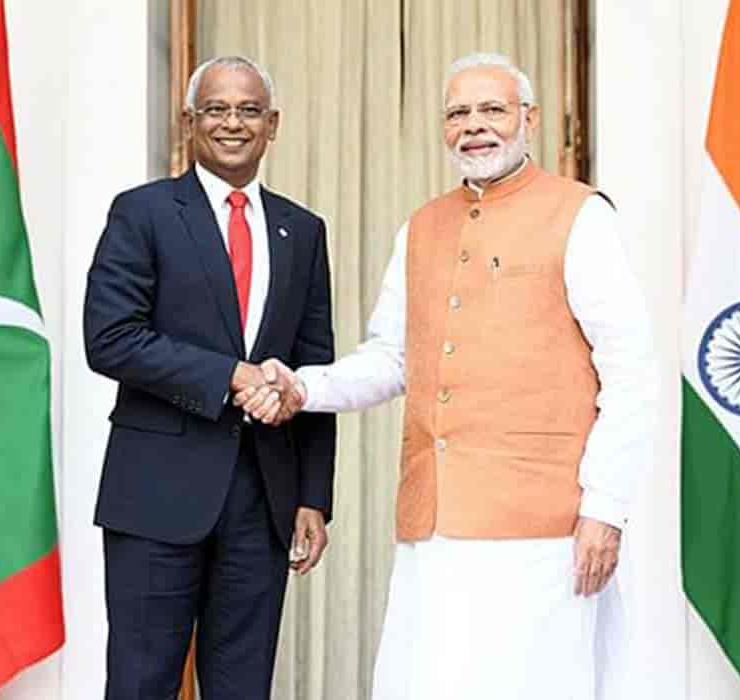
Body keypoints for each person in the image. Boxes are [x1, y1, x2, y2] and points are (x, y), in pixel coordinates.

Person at [238, 52, 658, 699]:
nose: (474, 126)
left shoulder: (580, 216)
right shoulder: (421, 227)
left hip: (544, 527)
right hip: (434, 523)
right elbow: (392, 357)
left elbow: (630, 372)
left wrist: (606, 509)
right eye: (458, 113)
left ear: (530, 119)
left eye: (493, 110)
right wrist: (303, 387)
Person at [84, 55, 337, 700]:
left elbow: (314, 366)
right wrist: (230, 376)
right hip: (156, 497)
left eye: (249, 110)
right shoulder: (142, 212)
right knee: (141, 684)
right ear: (189, 120)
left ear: (272, 125)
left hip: (263, 499)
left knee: (243, 687)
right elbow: (110, 338)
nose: (233, 123)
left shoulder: (303, 231)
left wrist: (313, 496)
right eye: (217, 109)